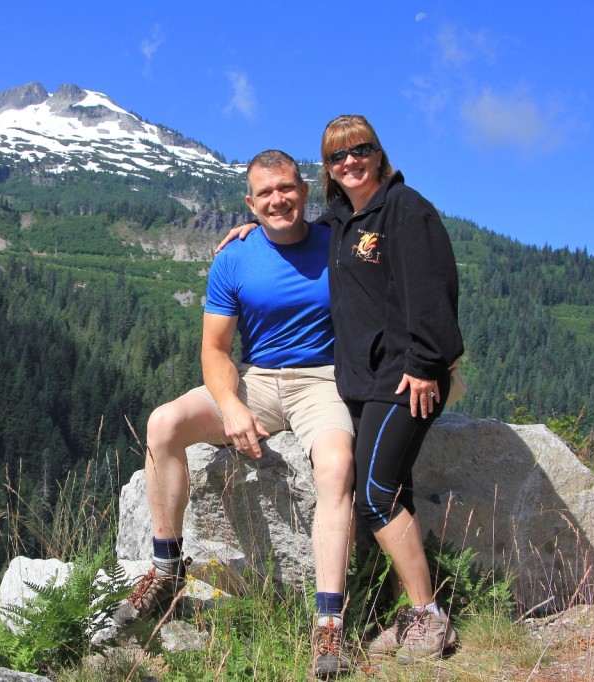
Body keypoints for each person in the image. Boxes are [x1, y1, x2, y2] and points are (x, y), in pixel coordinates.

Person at [218, 115, 464, 662]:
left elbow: (434, 290)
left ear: (380, 153)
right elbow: (288, 227)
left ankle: (427, 616)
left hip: (406, 377)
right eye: (337, 156)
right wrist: (250, 232)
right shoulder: (346, 219)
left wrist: (427, 364)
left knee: (373, 495)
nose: (350, 161)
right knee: (390, 486)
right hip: (365, 379)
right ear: (326, 170)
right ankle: (408, 610)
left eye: (361, 150)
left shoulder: (406, 211)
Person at [115, 150, 356, 678]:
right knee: (163, 424)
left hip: (324, 380)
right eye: (265, 193)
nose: (278, 200)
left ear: (306, 191)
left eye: (287, 188)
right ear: (250, 202)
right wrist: (231, 405)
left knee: (336, 465)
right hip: (257, 377)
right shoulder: (235, 256)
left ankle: (329, 623)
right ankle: (166, 565)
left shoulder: (338, 243)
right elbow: (214, 350)